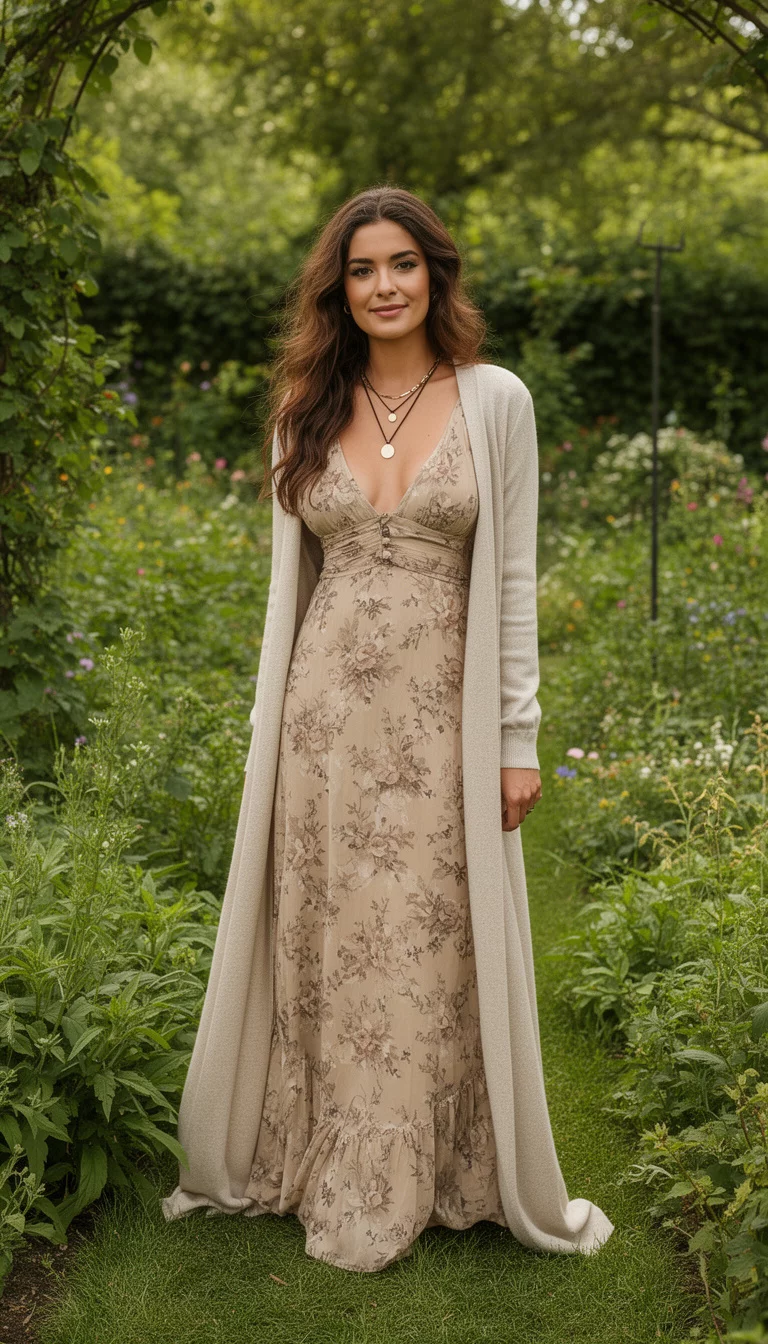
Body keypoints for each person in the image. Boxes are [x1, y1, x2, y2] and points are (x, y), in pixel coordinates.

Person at [162, 185, 614, 1273]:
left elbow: (515, 582)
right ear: (339, 289)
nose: (383, 286)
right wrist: (268, 737)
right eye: (361, 269)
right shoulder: (305, 409)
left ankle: (439, 1167)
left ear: (435, 274)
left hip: (440, 720)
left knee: (427, 931)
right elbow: (289, 592)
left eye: (401, 264)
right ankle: (324, 1156)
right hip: (323, 720)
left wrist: (516, 738)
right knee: (337, 931)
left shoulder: (496, 401)